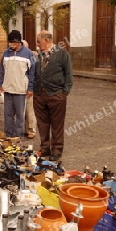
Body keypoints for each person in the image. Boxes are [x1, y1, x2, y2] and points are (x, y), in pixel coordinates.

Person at [33, 30, 73, 161]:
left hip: (56, 95)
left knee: (57, 124)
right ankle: (45, 149)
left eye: (39, 42)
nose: (38, 45)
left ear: (46, 40)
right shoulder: (39, 56)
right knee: (42, 124)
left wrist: (64, 93)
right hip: (39, 95)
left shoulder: (62, 54)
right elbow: (35, 74)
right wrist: (35, 90)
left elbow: (69, 75)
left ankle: (56, 150)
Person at [0, 30, 35, 138]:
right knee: (8, 114)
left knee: (20, 115)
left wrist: (30, 88)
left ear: (19, 42)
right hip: (7, 89)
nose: (11, 45)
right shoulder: (5, 53)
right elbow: (2, 71)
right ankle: (9, 135)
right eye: (10, 43)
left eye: (13, 43)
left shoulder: (28, 54)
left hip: (20, 90)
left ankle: (18, 136)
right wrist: (0, 84)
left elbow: (32, 73)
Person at [22, 39, 37, 139]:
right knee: (20, 110)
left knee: (29, 110)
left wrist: (31, 87)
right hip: (18, 87)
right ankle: (23, 129)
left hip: (28, 86)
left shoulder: (31, 57)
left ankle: (31, 130)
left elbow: (33, 74)